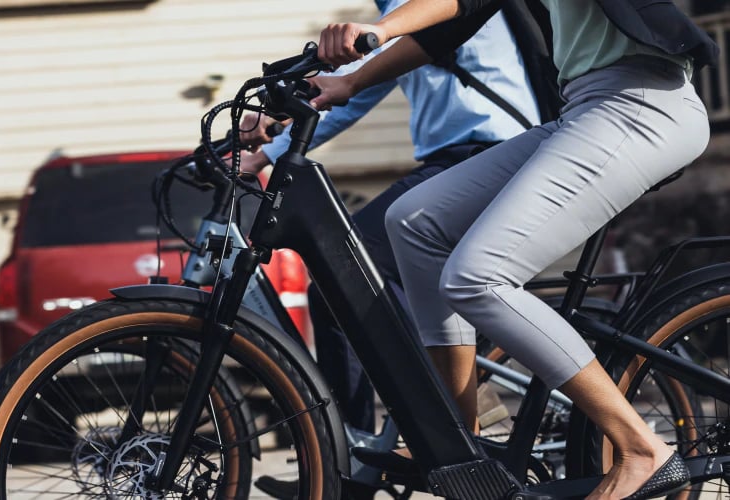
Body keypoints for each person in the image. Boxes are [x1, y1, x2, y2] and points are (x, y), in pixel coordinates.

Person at [312, 1, 717, 499]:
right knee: (414, 221)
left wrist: (380, 27)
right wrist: (351, 81)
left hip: (642, 101)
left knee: (475, 277)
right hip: (583, 110)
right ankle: (457, 439)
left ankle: (641, 450)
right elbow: (455, 22)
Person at [240, 0, 554, 436]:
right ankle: (362, 449)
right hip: (449, 162)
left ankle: (361, 447)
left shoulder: (424, 10)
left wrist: (269, 148)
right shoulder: (392, 12)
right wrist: (265, 151)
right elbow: (349, 93)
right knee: (344, 284)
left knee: (348, 271)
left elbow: (369, 63)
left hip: (493, 152)